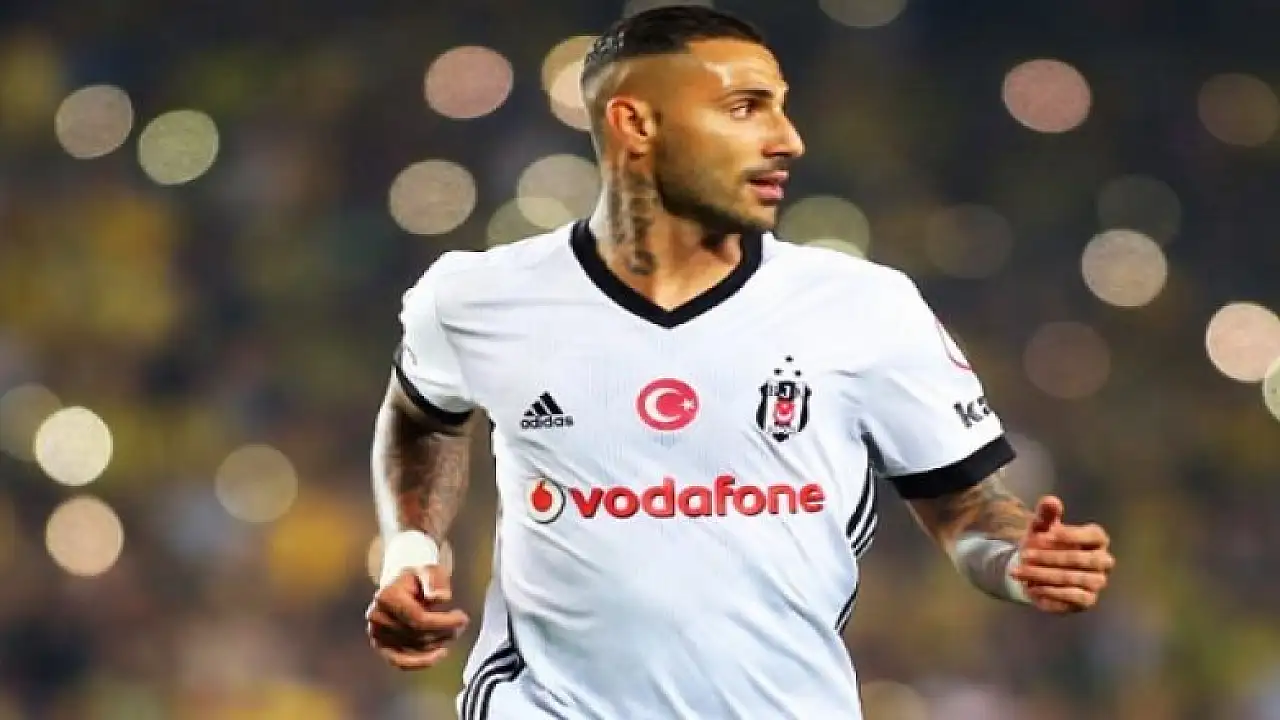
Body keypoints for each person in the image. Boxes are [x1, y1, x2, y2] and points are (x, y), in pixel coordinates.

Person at [365, 6, 1116, 719]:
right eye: (746, 108)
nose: (788, 139)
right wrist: (410, 551)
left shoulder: (865, 308)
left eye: (782, 108)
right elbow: (422, 419)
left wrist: (1019, 561)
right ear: (636, 124)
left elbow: (969, 513)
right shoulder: (476, 298)